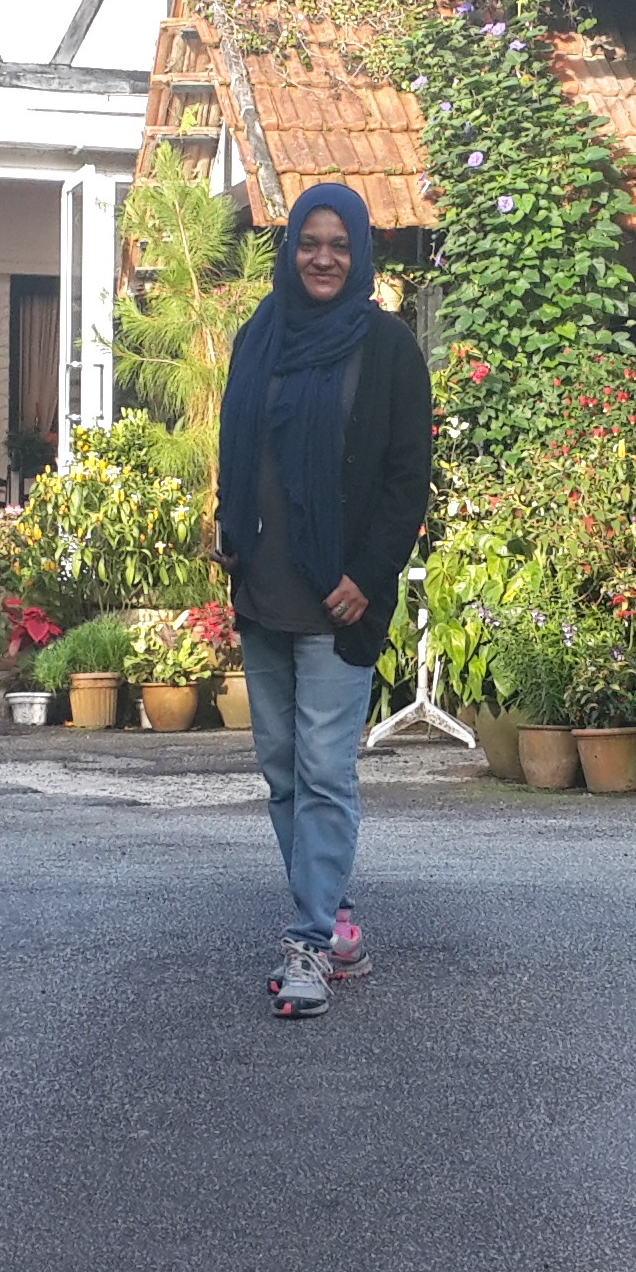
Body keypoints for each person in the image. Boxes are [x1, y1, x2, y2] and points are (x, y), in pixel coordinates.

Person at [213, 184, 432, 1018]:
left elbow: (406, 481)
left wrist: (367, 575)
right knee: (281, 773)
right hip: (265, 586)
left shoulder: (387, 348)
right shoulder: (261, 334)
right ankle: (335, 917)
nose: (324, 258)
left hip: (341, 599)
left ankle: (307, 943)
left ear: (361, 252)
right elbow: (238, 444)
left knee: (325, 772)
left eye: (340, 244)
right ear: (291, 247)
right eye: (311, 241)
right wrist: (228, 525)